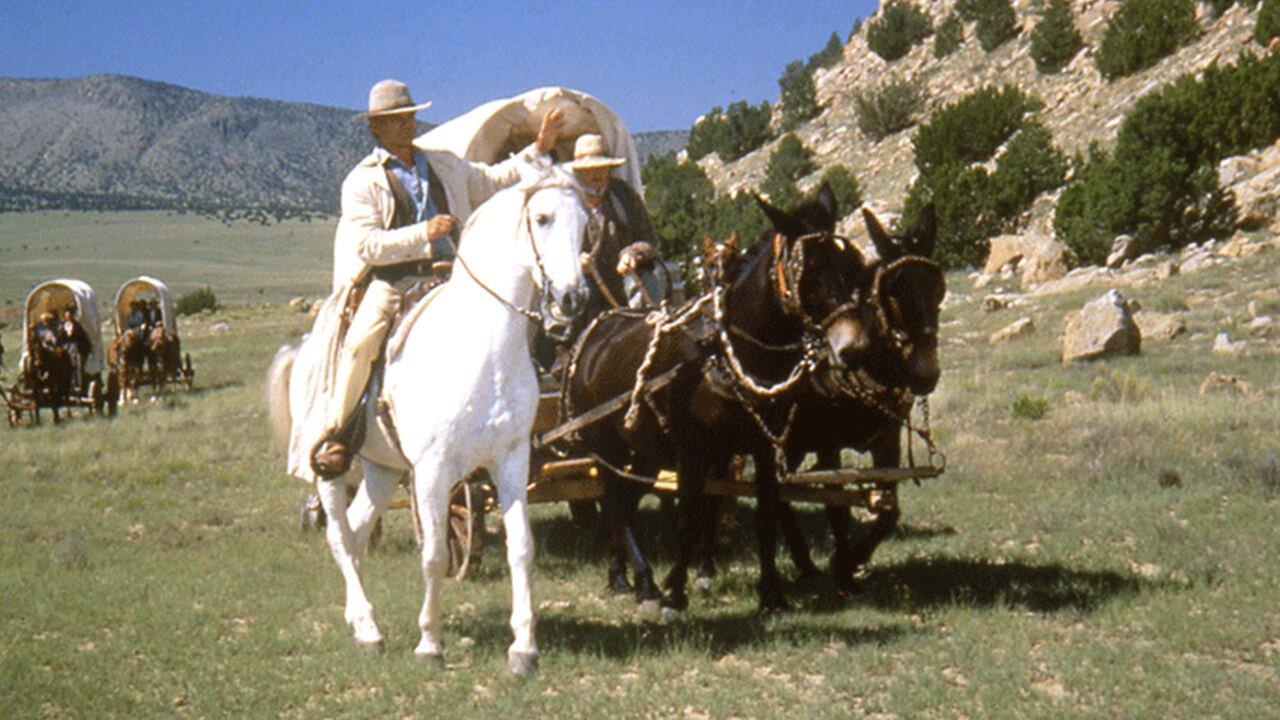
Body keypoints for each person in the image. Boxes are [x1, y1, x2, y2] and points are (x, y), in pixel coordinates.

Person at [309, 79, 564, 478]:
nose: (406, 126)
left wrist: (539, 149)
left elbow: (493, 180)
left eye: (409, 117)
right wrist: (423, 234)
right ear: (376, 129)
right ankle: (341, 433)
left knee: (513, 323)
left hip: (454, 278)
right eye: (395, 121)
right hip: (395, 282)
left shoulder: (444, 163)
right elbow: (367, 246)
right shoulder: (362, 181)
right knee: (361, 343)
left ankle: (511, 418)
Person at [566, 134, 668, 312]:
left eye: (601, 168)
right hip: (583, 287)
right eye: (589, 169)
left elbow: (648, 238)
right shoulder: (565, 201)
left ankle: (645, 326)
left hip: (623, 283)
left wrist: (631, 255)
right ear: (579, 172)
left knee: (651, 274)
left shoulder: (623, 195)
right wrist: (575, 263)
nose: (596, 175)